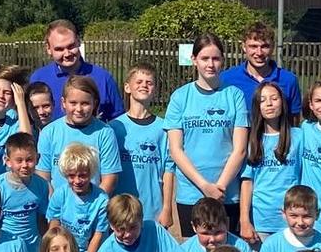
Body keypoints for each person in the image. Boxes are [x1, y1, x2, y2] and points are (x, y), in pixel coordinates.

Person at [166, 35, 249, 233]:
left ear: (223, 61)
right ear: (194, 59)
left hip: (227, 194)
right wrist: (205, 186)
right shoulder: (180, 97)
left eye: (216, 59)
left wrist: (219, 187)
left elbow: (240, 149)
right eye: (204, 58)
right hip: (191, 193)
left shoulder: (234, 95)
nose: (210, 64)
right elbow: (176, 150)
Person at [238, 82, 301, 247]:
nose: (269, 103)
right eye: (263, 100)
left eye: (274, 98)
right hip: (261, 221)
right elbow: (247, 182)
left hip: (293, 219)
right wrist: (244, 220)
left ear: (283, 102)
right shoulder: (252, 140)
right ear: (257, 106)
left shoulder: (299, 137)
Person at [37, 75, 122, 196]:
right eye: (73, 103)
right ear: (63, 103)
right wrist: (55, 206)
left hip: (92, 209)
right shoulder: (49, 132)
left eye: (85, 103)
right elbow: (43, 177)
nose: (79, 109)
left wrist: (92, 207)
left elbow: (110, 179)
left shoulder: (104, 132)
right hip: (58, 209)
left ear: (94, 103)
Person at [112, 65, 172, 231]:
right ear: (127, 87)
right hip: (120, 208)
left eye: (149, 82)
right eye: (138, 81)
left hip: (152, 209)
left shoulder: (164, 129)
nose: (144, 85)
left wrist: (167, 208)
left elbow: (168, 170)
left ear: (155, 90)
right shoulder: (114, 127)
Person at [30, 19, 125, 121]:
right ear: (48, 49)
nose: (67, 54)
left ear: (78, 41)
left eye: (71, 46)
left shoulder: (103, 78)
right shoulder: (38, 79)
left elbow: (118, 121)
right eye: (59, 49)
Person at [91, 195, 182, 252]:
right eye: (121, 229)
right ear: (111, 226)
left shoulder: (154, 231)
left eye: (133, 227)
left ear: (141, 221)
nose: (128, 234)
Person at [220, 21, 302, 118]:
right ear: (244, 47)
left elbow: (294, 121)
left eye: (265, 47)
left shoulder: (289, 80)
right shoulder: (227, 79)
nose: (259, 53)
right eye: (253, 46)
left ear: (273, 47)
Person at [48, 144, 109, 252]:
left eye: (82, 175)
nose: (77, 181)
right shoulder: (60, 194)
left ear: (91, 173)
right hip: (63, 250)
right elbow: (54, 226)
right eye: (71, 176)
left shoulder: (101, 199)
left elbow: (98, 235)